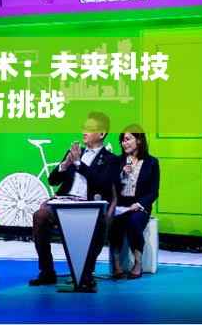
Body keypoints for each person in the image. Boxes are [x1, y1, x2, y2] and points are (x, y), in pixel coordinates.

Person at [29, 112, 118, 292]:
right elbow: (52, 180)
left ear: (101, 133)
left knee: (100, 223)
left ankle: (85, 275)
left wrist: (79, 164)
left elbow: (102, 183)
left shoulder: (111, 160)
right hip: (64, 202)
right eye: (84, 128)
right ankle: (47, 271)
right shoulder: (75, 153)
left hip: (88, 206)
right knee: (40, 216)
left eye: (89, 128)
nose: (84, 132)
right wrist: (65, 165)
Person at [110, 125, 160, 279]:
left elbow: (154, 192)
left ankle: (138, 263)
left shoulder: (151, 162)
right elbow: (110, 185)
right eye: (122, 140)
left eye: (127, 139)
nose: (124, 143)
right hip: (121, 205)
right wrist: (121, 174)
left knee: (133, 222)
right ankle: (116, 265)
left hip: (139, 206)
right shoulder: (118, 161)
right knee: (114, 222)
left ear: (138, 140)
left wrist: (138, 204)